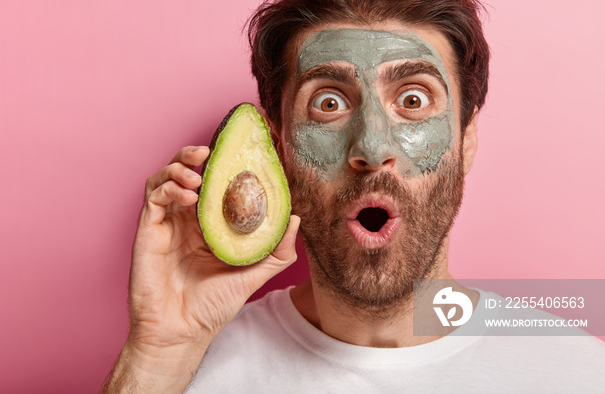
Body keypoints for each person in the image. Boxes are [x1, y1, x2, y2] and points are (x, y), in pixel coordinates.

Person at [103, 0, 605, 392]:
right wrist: (156, 355)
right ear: (278, 146)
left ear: (465, 140)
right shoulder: (180, 369)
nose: (371, 148)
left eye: (413, 99)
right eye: (328, 102)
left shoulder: (581, 374)